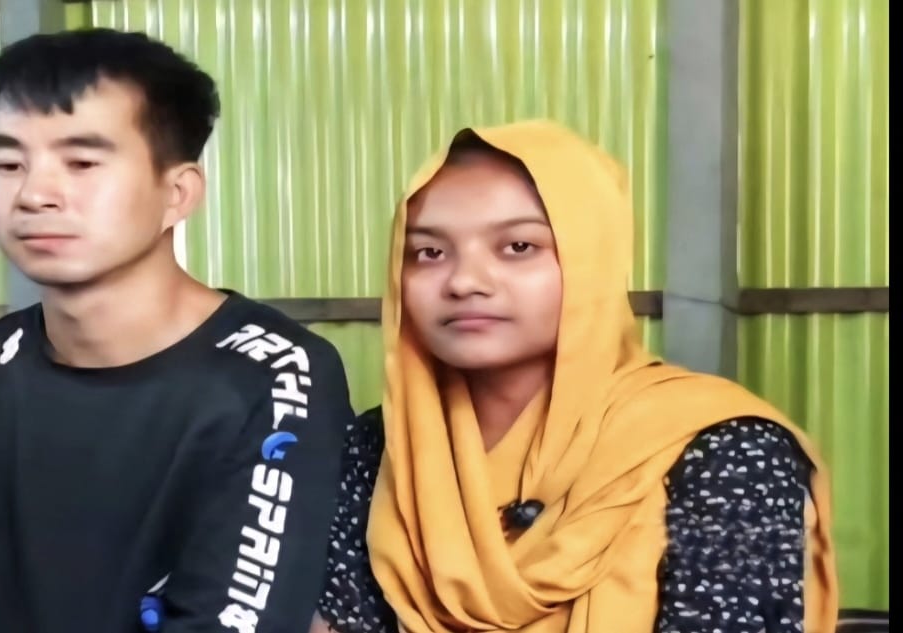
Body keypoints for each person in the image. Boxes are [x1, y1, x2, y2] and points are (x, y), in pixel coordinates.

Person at [0, 28, 355, 633]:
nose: (35, 195)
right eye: (8, 163)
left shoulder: (274, 376)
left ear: (177, 193)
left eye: (81, 163)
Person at [312, 120, 839, 633]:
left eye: (519, 247)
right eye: (429, 252)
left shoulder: (724, 447)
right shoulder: (379, 444)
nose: (465, 281)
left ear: (594, 261)